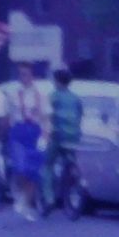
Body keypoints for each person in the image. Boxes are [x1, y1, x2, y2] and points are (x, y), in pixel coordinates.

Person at [4, 61, 48, 221]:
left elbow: (46, 117)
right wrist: (5, 133)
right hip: (19, 131)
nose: (23, 77)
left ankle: (26, 203)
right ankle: (18, 192)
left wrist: (45, 136)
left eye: (26, 74)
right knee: (20, 167)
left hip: (35, 132)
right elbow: (8, 115)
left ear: (32, 76)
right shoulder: (13, 94)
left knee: (33, 171)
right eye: (21, 74)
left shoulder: (41, 94)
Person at [46, 68, 84, 208]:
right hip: (74, 136)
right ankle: (72, 183)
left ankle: (49, 197)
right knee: (70, 160)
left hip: (58, 135)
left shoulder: (53, 97)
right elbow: (80, 115)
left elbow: (47, 115)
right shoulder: (76, 98)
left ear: (57, 81)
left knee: (47, 165)